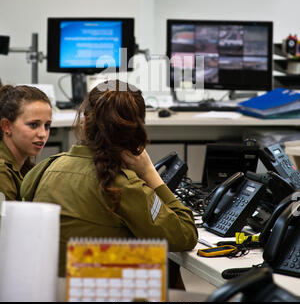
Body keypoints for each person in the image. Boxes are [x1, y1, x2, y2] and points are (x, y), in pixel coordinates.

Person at [21, 80, 198, 288]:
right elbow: (186, 234)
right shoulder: (124, 186)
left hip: (49, 291)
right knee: (167, 265)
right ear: (135, 131)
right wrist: (149, 172)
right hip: (105, 292)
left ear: (84, 123)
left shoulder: (44, 169)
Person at [0, 84, 52, 200]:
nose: (42, 134)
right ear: (6, 126)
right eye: (33, 125)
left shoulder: (25, 168)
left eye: (47, 126)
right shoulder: (2, 172)